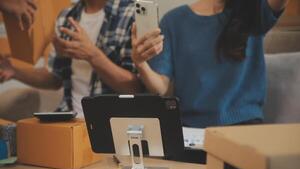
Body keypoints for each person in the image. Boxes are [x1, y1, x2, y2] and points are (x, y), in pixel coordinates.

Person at [131, 0, 289, 128]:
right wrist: (140, 63)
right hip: (190, 129)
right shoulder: (173, 21)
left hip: (244, 127)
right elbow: (161, 88)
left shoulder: (253, 10)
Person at [0, 0, 142, 118]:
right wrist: (14, 72)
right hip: (68, 119)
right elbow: (55, 78)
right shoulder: (66, 16)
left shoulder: (131, 14)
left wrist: (92, 55)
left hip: (110, 124)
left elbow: (135, 89)